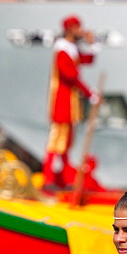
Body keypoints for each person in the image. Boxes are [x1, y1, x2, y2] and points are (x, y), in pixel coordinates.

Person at [44, 15, 98, 188]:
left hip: (70, 103)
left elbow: (87, 60)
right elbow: (70, 75)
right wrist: (90, 92)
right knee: (57, 141)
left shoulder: (71, 49)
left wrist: (93, 43)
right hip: (63, 102)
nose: (80, 31)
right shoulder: (62, 50)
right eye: (77, 27)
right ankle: (49, 178)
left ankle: (65, 179)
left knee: (66, 142)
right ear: (69, 29)